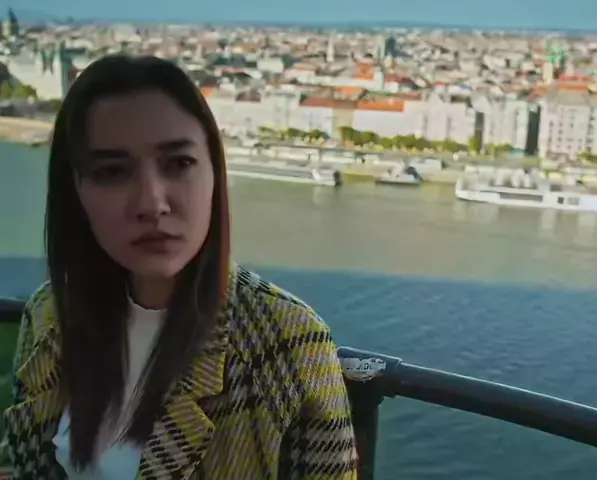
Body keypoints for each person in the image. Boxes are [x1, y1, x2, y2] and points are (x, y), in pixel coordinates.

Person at [2, 55, 358, 479]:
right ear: (75, 192)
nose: (152, 203)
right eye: (113, 171)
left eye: (178, 163)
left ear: (215, 173)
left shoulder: (289, 344)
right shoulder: (49, 314)